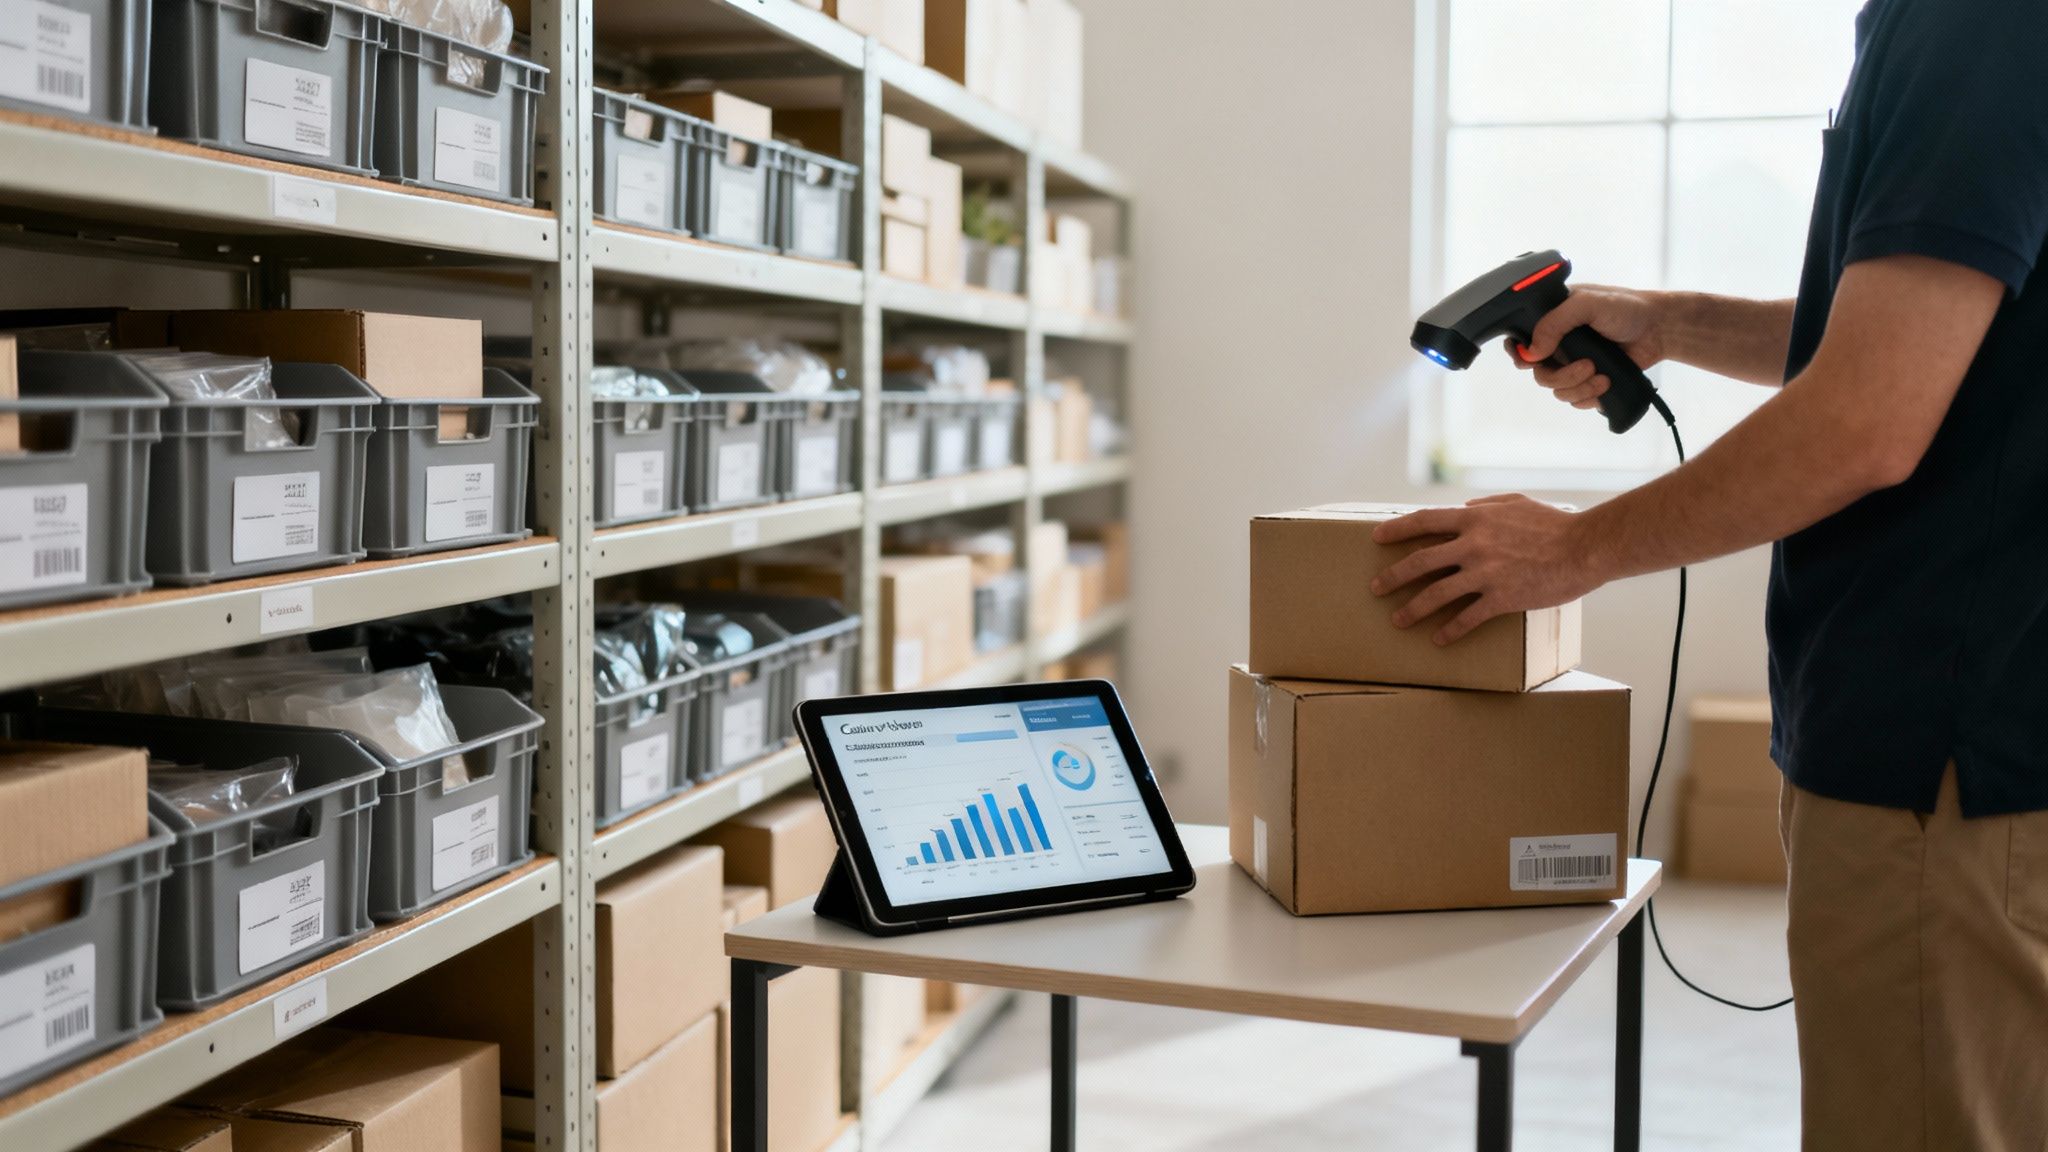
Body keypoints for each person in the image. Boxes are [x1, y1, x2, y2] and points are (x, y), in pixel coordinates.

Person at [1369, 2, 2048, 1148]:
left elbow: (1867, 418)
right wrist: (1671, 321)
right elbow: (1905, 331)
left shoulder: (1970, 20)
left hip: (1937, 748)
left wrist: (1571, 549)